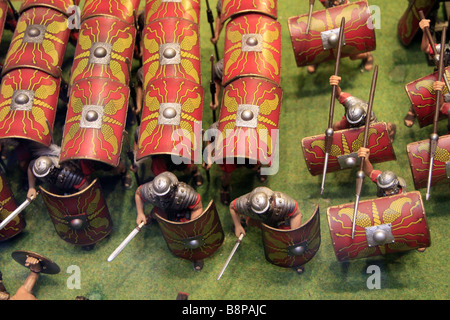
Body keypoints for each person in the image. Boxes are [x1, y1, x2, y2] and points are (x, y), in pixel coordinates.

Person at [134, 171, 204, 270]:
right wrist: (140, 213)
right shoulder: (150, 190)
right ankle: (150, 217)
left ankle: (197, 256)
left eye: (165, 195)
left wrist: (192, 225)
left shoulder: (185, 193)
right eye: (159, 195)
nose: (162, 198)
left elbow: (197, 207)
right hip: (163, 210)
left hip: (181, 211)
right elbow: (138, 193)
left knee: (191, 235)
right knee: (156, 214)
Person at [404, 18, 450, 127]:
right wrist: (425, 32)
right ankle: (414, 110)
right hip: (440, 81)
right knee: (424, 94)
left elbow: (443, 107)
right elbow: (426, 48)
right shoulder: (447, 50)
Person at [308, 0, 374, 74]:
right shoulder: (326, 1)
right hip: (330, 24)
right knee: (322, 42)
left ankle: (368, 55)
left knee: (353, 56)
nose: (336, 2)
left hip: (347, 28)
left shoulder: (348, 7)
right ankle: (317, 60)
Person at [329, 75, 396, 142]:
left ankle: (388, 132)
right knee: (336, 126)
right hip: (349, 122)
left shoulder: (371, 120)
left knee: (372, 140)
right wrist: (335, 85)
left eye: (356, 123)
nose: (355, 125)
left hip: (365, 127)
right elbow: (339, 94)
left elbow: (375, 132)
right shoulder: (351, 102)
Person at [229, 187, 302, 238]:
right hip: (259, 219)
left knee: (284, 236)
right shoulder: (244, 203)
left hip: (278, 218)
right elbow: (232, 207)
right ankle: (246, 219)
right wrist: (237, 226)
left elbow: (296, 214)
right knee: (252, 222)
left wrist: (294, 235)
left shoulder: (283, 202)